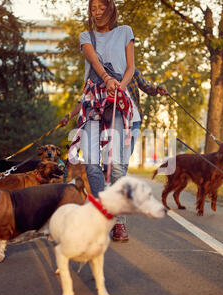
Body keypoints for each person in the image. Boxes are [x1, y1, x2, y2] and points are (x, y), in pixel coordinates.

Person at [59, 0, 137, 242]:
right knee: (92, 164)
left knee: (116, 164)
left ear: (111, 9)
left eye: (102, 8)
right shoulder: (86, 36)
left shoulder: (125, 32)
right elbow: (94, 62)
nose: (97, 13)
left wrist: (120, 88)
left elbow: (131, 68)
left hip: (118, 101)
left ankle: (119, 222)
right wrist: (106, 80)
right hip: (93, 102)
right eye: (93, 9)